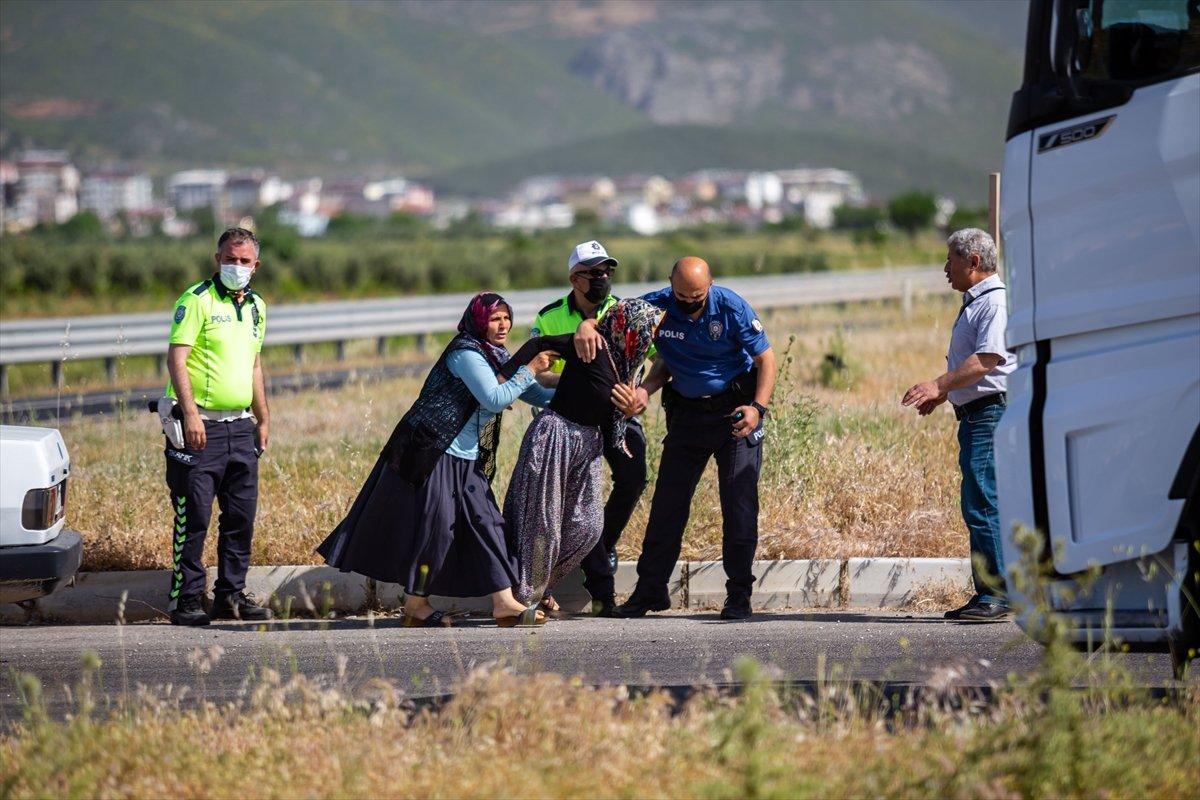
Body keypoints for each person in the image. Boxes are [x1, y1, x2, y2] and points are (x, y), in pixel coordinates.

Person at [317, 293, 558, 628]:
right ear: (479, 321)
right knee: (438, 528)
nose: (503, 325)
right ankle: (416, 604)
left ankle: (504, 603)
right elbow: (494, 397)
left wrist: (584, 388)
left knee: (487, 523)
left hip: (466, 456)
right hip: (433, 452)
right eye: (495, 318)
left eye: (507, 318)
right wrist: (530, 368)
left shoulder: (498, 356)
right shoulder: (466, 353)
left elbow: (537, 395)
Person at [574, 256, 777, 620]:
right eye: (682, 297)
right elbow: (610, 322)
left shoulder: (731, 307)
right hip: (687, 416)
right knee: (667, 505)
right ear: (671, 285)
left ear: (710, 285)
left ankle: (739, 595)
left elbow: (766, 359)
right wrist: (587, 326)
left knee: (739, 505)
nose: (690, 304)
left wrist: (757, 409)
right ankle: (650, 591)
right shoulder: (655, 306)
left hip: (735, 413)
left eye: (697, 297)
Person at [505, 298, 660, 612]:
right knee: (543, 521)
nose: (649, 339)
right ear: (629, 329)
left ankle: (543, 582)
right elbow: (539, 344)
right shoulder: (591, 345)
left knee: (587, 526)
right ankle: (524, 597)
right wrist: (505, 378)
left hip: (588, 444)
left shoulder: (628, 366)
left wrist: (629, 409)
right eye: (646, 332)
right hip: (556, 436)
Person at [528, 240, 652, 616]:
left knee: (633, 478)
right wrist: (578, 378)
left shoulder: (624, 312)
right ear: (574, 279)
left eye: (607, 271)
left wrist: (641, 392)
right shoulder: (550, 317)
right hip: (571, 422)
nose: (602, 278)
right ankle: (601, 588)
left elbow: (657, 357)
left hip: (618, 417)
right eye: (593, 272)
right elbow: (538, 371)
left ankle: (601, 545)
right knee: (579, 500)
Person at [902, 228, 1014, 621]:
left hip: (988, 416)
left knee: (982, 502)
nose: (945, 268)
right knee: (981, 501)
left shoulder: (993, 303)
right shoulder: (979, 302)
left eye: (951, 260)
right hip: (977, 414)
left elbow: (987, 360)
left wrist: (938, 384)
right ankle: (989, 591)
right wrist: (946, 393)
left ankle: (996, 595)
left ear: (974, 262)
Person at [163, 227, 272, 626]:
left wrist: (263, 417)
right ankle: (187, 598)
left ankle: (231, 595)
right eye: (230, 259)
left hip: (240, 427)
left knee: (240, 517)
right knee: (193, 517)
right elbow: (177, 358)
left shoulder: (257, 307)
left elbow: (255, 365)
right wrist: (191, 414)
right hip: (199, 428)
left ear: (255, 266)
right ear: (217, 259)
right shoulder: (197, 300)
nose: (236, 266)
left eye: (244, 261)